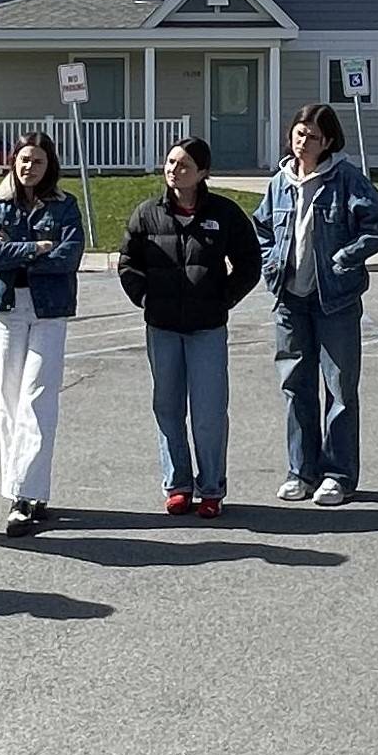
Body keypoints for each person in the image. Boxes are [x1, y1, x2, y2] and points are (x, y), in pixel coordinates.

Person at [115, 135, 261, 516]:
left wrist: (221, 299)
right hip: (162, 328)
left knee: (209, 412)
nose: (174, 170)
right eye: (170, 162)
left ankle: (211, 488)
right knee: (167, 406)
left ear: (202, 173)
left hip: (206, 329)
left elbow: (249, 263)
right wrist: (146, 298)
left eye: (183, 165)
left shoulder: (225, 214)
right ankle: (178, 484)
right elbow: (128, 262)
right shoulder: (147, 213)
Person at [255, 103, 378, 505]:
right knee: (294, 386)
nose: (303, 142)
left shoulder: (346, 178)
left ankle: (338, 474)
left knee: (340, 388)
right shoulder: (280, 182)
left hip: (335, 301)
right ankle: (301, 471)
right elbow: (262, 226)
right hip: (289, 300)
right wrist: (270, 264)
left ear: (328, 141)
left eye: (312, 136)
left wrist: (346, 258)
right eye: (298, 134)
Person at [0, 131, 83, 535]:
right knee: (10, 400)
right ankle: (20, 489)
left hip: (49, 309)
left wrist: (21, 253)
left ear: (49, 166)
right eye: (23, 160)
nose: (29, 167)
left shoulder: (65, 207)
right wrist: (37, 247)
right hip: (7, 309)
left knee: (38, 398)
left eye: (37, 161)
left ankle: (25, 496)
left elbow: (68, 256)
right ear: (14, 163)